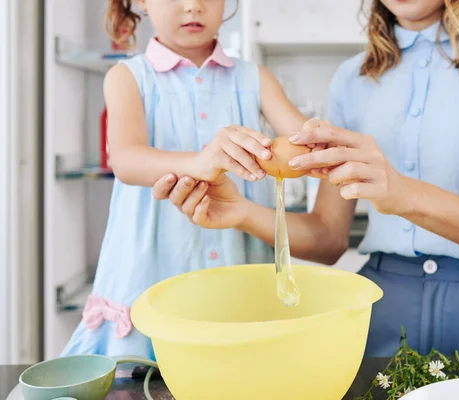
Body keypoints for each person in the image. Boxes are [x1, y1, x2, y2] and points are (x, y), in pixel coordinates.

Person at [152, 0, 459, 357]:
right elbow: (328, 238)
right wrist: (242, 212)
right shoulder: (353, 79)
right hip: (383, 314)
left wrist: (400, 192)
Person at [61, 0, 311, 360]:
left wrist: (314, 145)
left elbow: (299, 146)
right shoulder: (128, 77)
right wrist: (200, 161)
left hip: (237, 271)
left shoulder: (255, 79)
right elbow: (127, 160)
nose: (193, 6)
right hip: (150, 271)